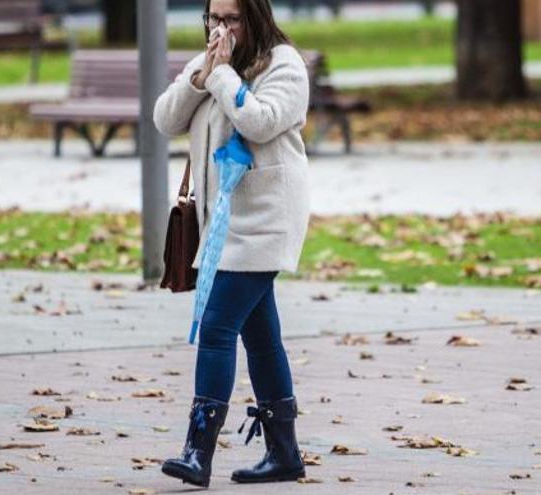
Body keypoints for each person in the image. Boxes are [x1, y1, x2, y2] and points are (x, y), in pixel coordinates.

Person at [153, 0, 311, 487]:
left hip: (264, 218)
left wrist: (221, 77)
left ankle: (197, 452)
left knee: (218, 326)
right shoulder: (211, 64)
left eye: (232, 19)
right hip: (224, 223)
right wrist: (200, 74)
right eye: (213, 18)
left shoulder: (283, 64)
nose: (221, 28)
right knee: (261, 337)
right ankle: (284, 452)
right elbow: (165, 119)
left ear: (255, 18)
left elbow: (259, 120)